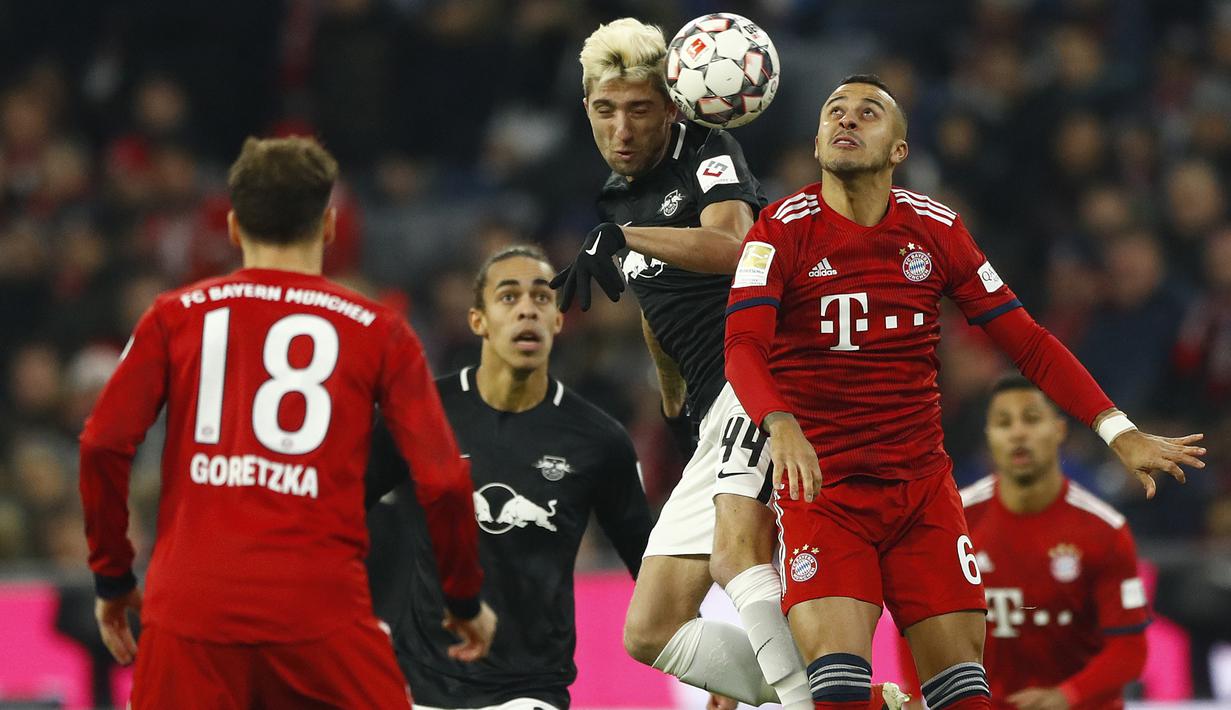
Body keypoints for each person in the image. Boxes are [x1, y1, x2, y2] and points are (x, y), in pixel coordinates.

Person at [723, 74, 1205, 710]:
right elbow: (743, 347)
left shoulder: (936, 230)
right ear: (816, 142)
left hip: (921, 493)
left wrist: (1117, 429)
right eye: (834, 112)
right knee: (835, 689)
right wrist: (779, 422)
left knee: (961, 696)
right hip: (825, 491)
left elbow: (1027, 341)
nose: (847, 120)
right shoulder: (778, 231)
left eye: (868, 113)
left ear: (899, 150)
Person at [78, 136, 496, 708]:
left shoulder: (173, 316)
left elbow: (102, 443)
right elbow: (444, 479)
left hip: (190, 612)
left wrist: (113, 577)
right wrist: (462, 597)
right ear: (327, 226)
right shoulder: (381, 330)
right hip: (319, 613)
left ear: (231, 227)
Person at [552, 17, 812, 709]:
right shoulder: (616, 193)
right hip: (711, 404)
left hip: (767, 374)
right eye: (605, 111)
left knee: (737, 559)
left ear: (671, 105)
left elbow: (733, 245)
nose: (622, 128)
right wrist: (674, 404)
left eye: (639, 110)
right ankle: (838, 692)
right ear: (586, 110)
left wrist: (622, 235)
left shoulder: (707, 149)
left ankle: (825, 699)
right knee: (650, 628)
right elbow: (655, 308)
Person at [365, 245, 654, 710]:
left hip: (529, 691)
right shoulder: (419, 413)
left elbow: (648, 560)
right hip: (415, 685)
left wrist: (698, 654)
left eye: (541, 298)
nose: (527, 309)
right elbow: (338, 513)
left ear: (558, 322)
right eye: (508, 297)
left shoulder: (598, 440)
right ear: (477, 320)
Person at [963, 374, 1149, 709]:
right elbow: (917, 627)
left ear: (1059, 430)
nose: (1018, 433)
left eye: (1032, 419)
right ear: (989, 438)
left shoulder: (1104, 530)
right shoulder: (955, 521)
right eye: (1004, 423)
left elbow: (1130, 649)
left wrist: (1067, 696)